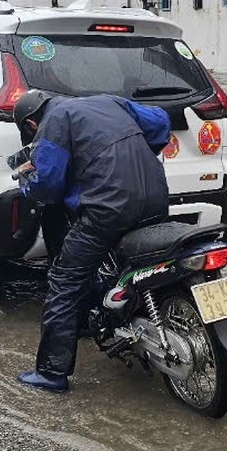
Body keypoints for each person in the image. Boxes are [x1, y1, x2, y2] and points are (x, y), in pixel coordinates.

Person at [13, 89, 171, 393]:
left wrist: (25, 182)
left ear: (31, 124)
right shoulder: (109, 101)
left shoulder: (54, 121)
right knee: (143, 270)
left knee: (65, 281)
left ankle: (51, 373)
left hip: (108, 209)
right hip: (156, 197)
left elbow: (48, 185)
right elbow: (161, 123)